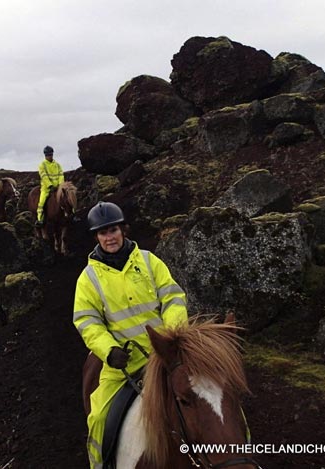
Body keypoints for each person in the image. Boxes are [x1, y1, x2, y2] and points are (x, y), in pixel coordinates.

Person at [73, 202, 188, 469]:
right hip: (124, 364)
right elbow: (87, 321)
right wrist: (109, 351)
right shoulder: (88, 279)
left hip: (168, 354)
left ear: (123, 229)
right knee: (99, 419)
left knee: (218, 397)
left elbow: (172, 297)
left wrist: (172, 335)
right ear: (96, 237)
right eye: (102, 233)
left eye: (112, 229)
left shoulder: (149, 261)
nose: (109, 237)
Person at [35, 145, 64, 227]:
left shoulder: (58, 165)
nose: (49, 156)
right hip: (47, 188)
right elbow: (44, 176)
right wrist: (50, 186)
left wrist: (60, 185)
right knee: (41, 202)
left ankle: (72, 214)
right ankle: (40, 219)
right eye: (47, 155)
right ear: (45, 155)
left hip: (58, 187)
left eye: (50, 155)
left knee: (68, 198)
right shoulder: (42, 165)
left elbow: (61, 175)